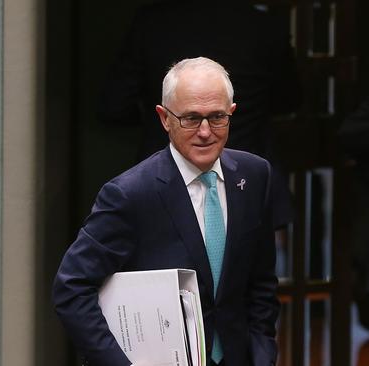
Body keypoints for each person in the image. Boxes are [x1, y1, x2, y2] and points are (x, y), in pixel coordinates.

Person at [53, 57, 279, 366]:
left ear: (232, 113)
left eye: (217, 117)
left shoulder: (255, 176)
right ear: (164, 118)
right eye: (190, 118)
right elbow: (72, 288)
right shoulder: (130, 194)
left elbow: (262, 281)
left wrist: (263, 352)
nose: (205, 131)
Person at [100, 0, 300, 230]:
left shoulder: (152, 22)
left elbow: (114, 106)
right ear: (164, 116)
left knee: (160, 262)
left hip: (167, 181)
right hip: (249, 179)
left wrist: (169, 123)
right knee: (254, 264)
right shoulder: (265, 26)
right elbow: (289, 100)